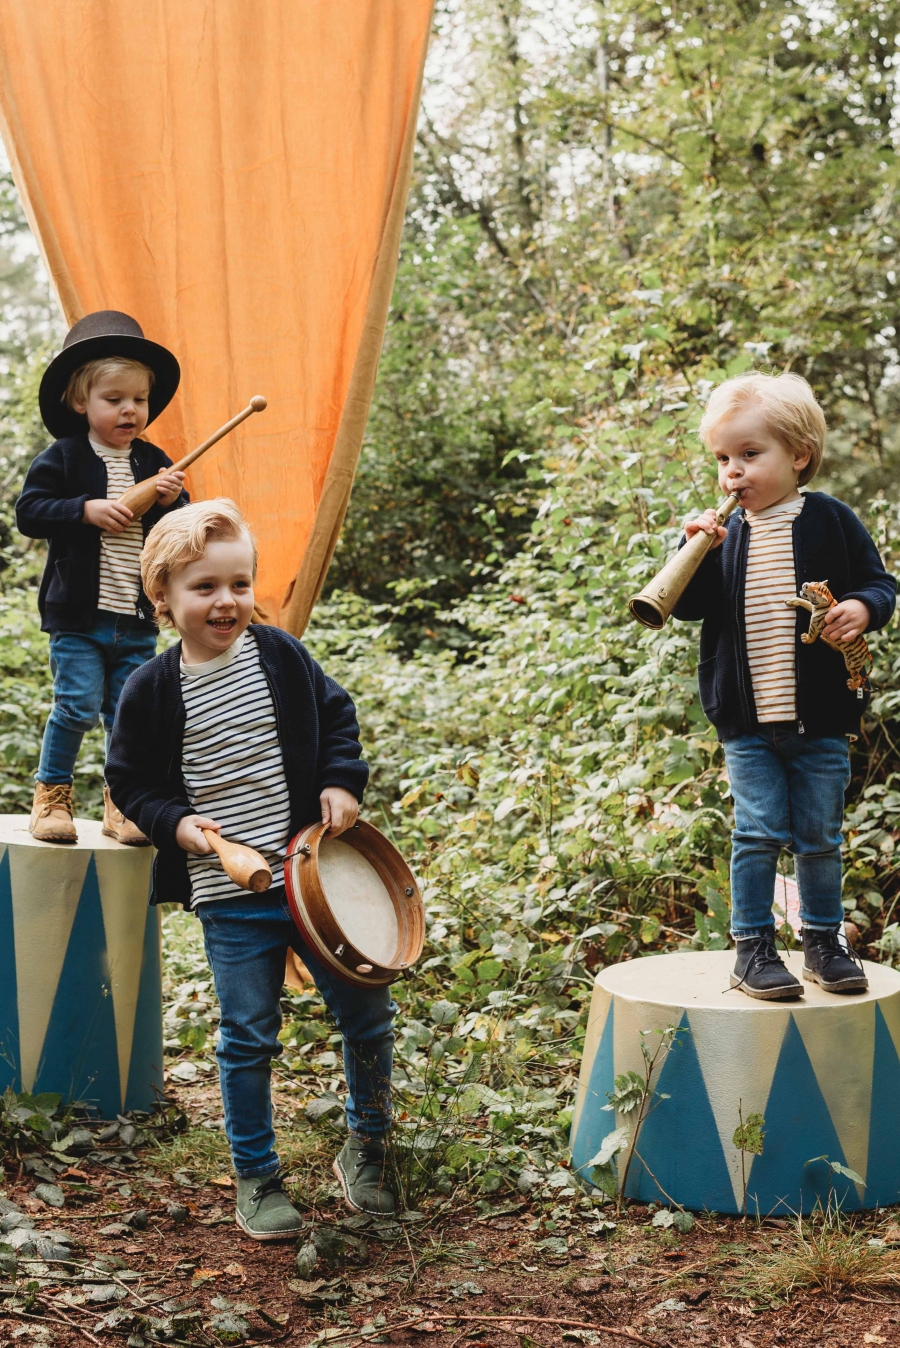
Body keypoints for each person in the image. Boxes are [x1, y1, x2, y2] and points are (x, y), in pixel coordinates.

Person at [105, 499, 397, 1238]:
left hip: (315, 878)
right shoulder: (150, 689)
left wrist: (340, 781)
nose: (226, 600)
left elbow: (338, 718)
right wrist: (183, 828)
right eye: (204, 587)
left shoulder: (281, 656)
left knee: (365, 1011)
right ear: (164, 598)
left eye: (239, 583)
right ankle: (257, 1174)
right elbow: (132, 785)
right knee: (247, 1033)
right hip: (228, 890)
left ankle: (367, 1147)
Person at [674, 371, 896, 1000]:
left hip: (822, 718)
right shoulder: (722, 537)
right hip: (747, 725)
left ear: (798, 455)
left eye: (749, 455)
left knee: (820, 836)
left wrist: (863, 608)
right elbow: (688, 607)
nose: (732, 473)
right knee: (757, 832)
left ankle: (824, 943)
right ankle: (753, 949)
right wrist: (689, 550)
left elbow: (880, 583)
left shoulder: (830, 519)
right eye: (722, 459)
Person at [16, 310, 187, 845]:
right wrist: (84, 511)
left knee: (125, 715)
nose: (129, 410)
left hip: (135, 620)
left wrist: (172, 500)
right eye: (114, 400)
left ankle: (121, 805)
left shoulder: (154, 462)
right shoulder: (65, 458)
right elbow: (30, 511)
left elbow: (180, 532)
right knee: (76, 705)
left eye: (138, 400)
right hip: (79, 618)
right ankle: (52, 797)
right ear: (80, 402)